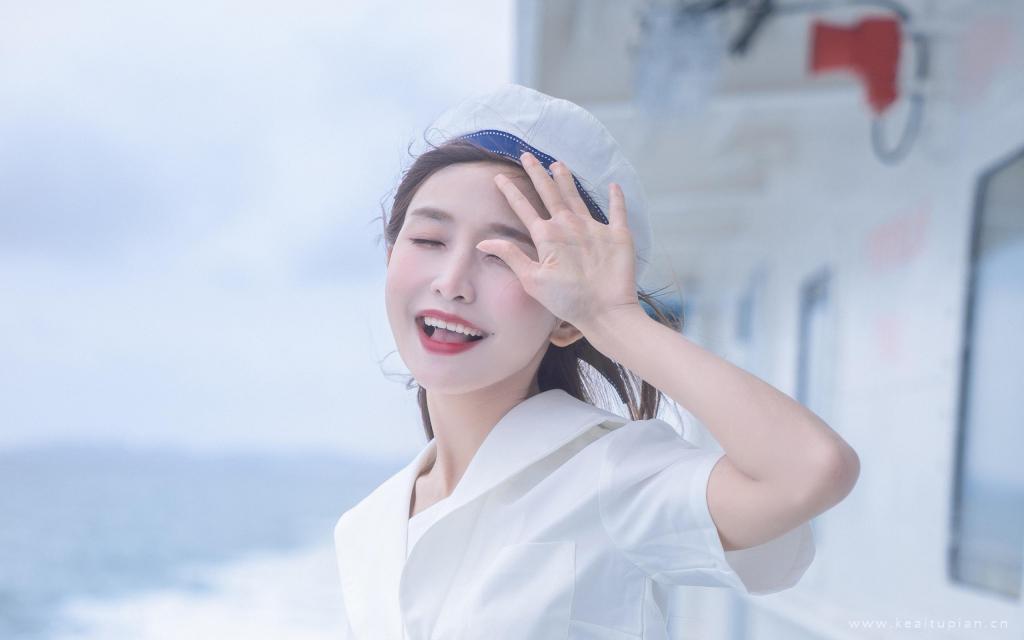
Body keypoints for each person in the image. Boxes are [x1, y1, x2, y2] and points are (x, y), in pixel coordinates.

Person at [333, 84, 860, 639]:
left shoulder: (612, 473)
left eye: (505, 255)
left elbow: (811, 468)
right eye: (429, 240)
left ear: (566, 316)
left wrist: (613, 316)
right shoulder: (366, 527)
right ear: (391, 258)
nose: (452, 282)